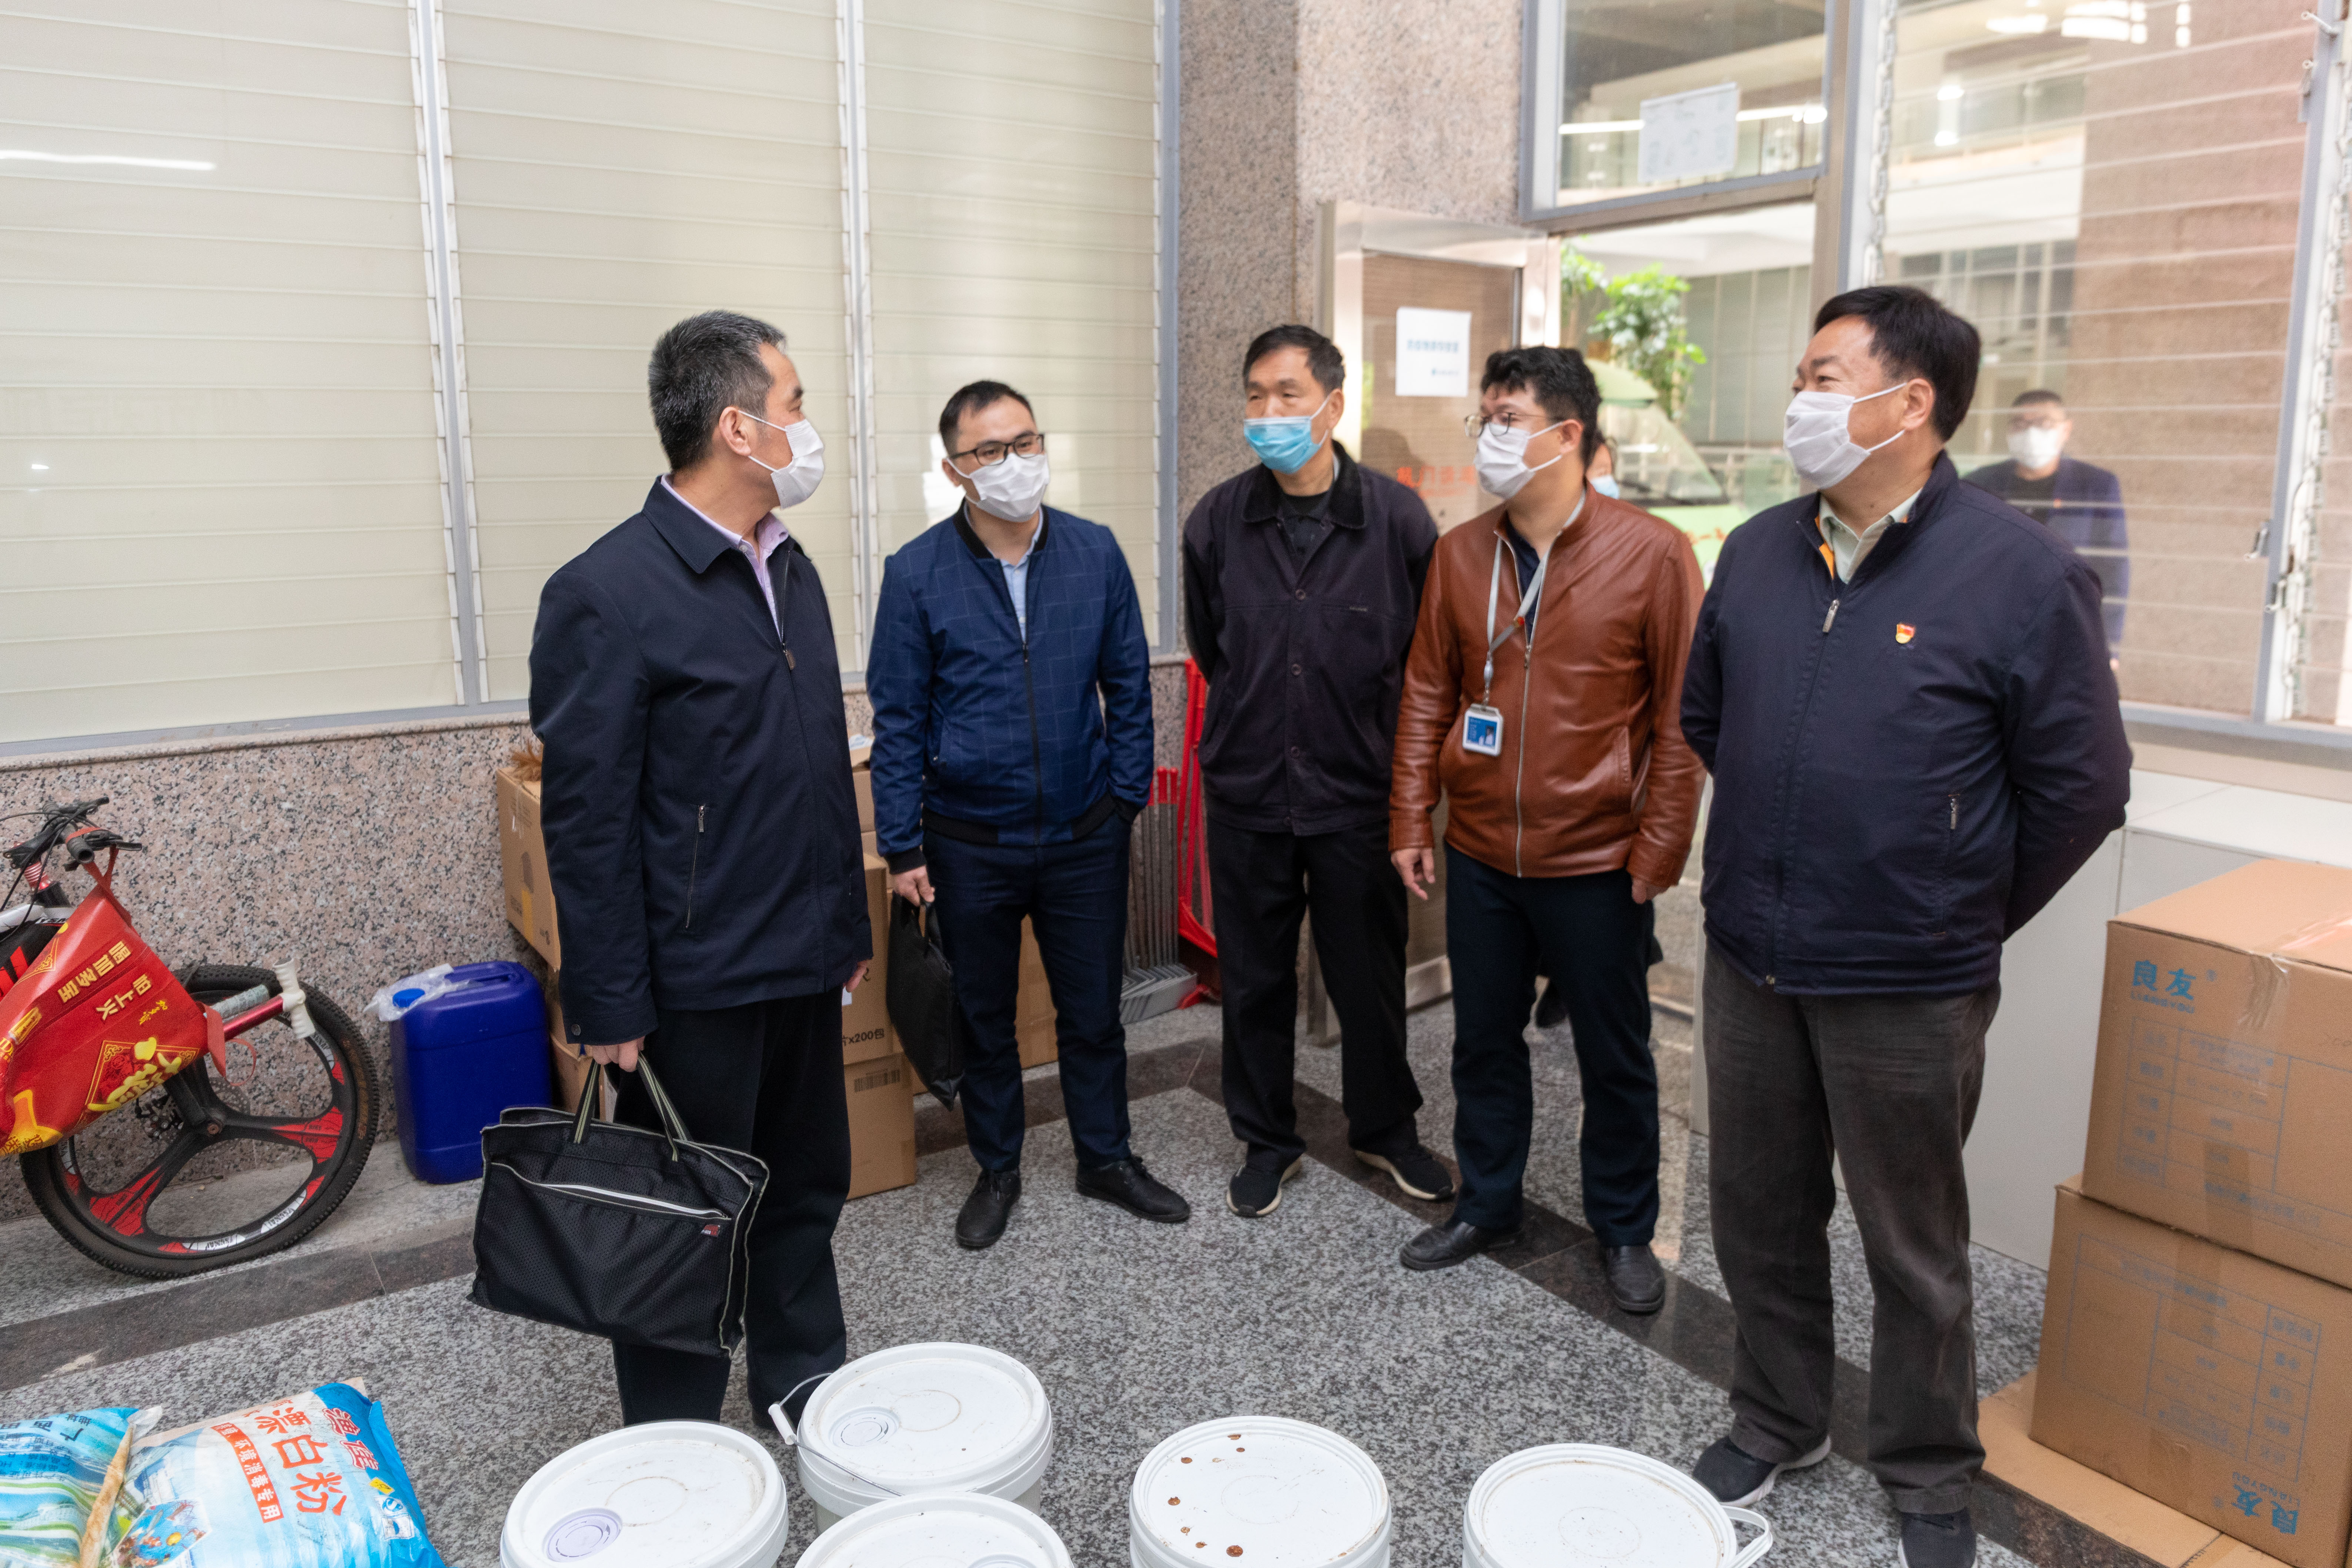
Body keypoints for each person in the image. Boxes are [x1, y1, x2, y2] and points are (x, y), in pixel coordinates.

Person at [1680, 286, 2131, 1568]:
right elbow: (1708, 716)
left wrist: (1955, 904)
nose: (1798, 401)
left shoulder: (2019, 571)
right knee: (1755, 1207)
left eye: (1822, 377)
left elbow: (2081, 785)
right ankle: (1777, 1414)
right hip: (1752, 954)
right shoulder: (1757, 549)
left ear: (1909, 401)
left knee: (1911, 1241)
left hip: (1907, 976)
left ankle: (1928, 1464)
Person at [529, 310, 869, 1430]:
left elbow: (812, 764)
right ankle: (674, 1436)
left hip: (800, 954)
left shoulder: (788, 564)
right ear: (737, 427)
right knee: (685, 1216)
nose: (807, 425)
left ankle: (801, 1382)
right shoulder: (607, 591)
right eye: (794, 402)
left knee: (803, 1188)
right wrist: (607, 999)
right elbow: (587, 817)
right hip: (694, 978)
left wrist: (844, 931)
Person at [1387, 346, 1705, 1314]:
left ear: (1568, 434)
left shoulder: (1653, 553)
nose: (1488, 434)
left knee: (1616, 1054)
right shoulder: (1461, 553)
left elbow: (1682, 719)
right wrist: (1410, 813)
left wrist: (1658, 847)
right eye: (1484, 416)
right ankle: (1488, 1202)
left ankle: (1625, 1227)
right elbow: (1427, 692)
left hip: (1598, 857)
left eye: (1508, 418)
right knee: (1482, 1042)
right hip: (1482, 849)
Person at [867, 379, 1179, 1251]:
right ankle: (997, 1168)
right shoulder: (917, 573)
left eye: (1026, 441)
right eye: (990, 451)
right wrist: (902, 846)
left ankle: (1105, 1158)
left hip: (1084, 835)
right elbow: (899, 719)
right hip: (969, 843)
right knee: (985, 1017)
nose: (1014, 462)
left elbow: (1128, 684)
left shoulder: (1094, 551)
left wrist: (1123, 800)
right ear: (954, 470)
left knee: (1093, 1013)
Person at [1181, 324, 1451, 1219]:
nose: (1267, 411)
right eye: (1255, 394)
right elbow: (1213, 648)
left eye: (1287, 394)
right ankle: (1266, 1140)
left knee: (1366, 977)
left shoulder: (1397, 520)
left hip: (1356, 791)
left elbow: (1426, 662)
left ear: (1332, 405)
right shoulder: (1218, 519)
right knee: (1254, 977)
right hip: (1249, 789)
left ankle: (1385, 1129)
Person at [1965, 390, 2129, 656]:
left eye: (2044, 424)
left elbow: (2112, 568)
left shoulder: (2095, 485)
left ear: (2066, 430)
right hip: (1990, 628)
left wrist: (2107, 646)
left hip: (2065, 628)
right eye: (2020, 424)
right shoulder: (1979, 483)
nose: (2031, 433)